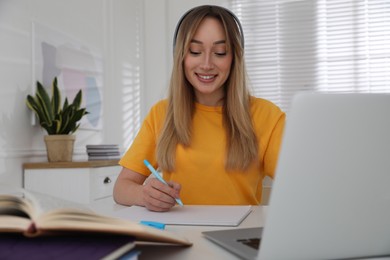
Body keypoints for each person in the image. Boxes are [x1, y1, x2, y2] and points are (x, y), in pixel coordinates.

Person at [113, 5, 285, 212]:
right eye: (195, 51)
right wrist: (145, 195)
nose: (206, 64)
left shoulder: (268, 116)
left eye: (220, 53)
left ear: (234, 59)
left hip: (237, 237)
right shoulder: (162, 113)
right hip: (177, 235)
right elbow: (121, 188)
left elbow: (300, 185)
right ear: (181, 57)